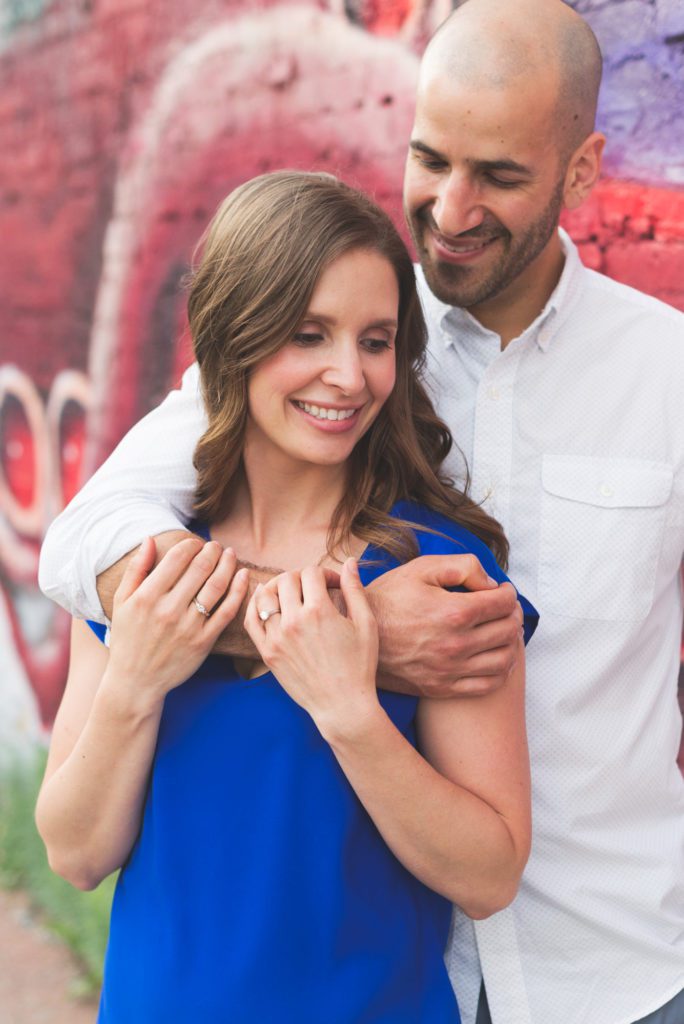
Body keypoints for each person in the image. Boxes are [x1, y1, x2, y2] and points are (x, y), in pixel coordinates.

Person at [38, 2, 684, 1023]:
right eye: (431, 159)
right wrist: (336, 632)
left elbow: (483, 856)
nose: (453, 205)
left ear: (582, 170)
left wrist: (340, 676)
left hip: (611, 969)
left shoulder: (661, 378)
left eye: (501, 176)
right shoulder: (333, 321)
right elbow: (86, 538)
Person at [36, 171, 537, 1023]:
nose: (348, 376)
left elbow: (489, 874)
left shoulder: (440, 577)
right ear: (234, 336)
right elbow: (77, 852)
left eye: (376, 341)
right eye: (310, 334)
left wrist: (350, 712)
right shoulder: (144, 562)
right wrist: (133, 681)